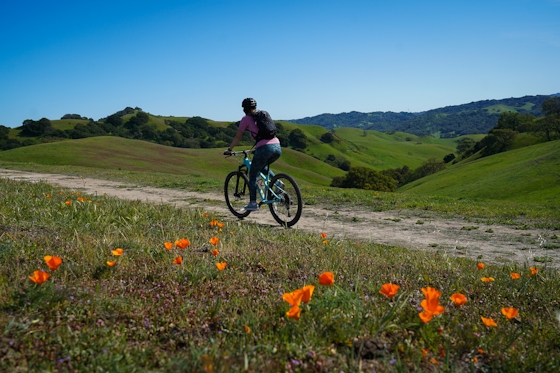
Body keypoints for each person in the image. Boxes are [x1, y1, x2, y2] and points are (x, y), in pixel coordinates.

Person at [224, 98, 282, 211]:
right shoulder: (263, 115)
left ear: (244, 109)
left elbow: (238, 137)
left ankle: (253, 203)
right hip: (277, 146)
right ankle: (278, 182)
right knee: (261, 166)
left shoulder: (246, 119)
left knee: (253, 174)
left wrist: (229, 149)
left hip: (264, 148)